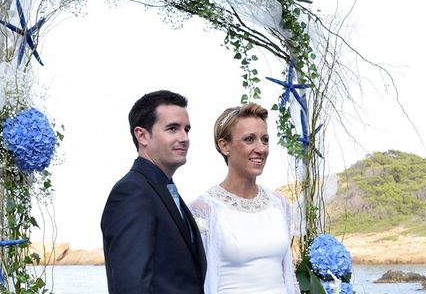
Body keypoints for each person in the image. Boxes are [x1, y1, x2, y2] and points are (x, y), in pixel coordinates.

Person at [101, 90, 207, 294]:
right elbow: (132, 286)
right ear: (142, 135)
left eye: (187, 129)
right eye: (172, 129)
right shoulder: (131, 193)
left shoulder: (162, 189)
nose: (184, 138)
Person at [190, 102, 301, 294]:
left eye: (265, 140)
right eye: (249, 139)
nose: (261, 149)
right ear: (224, 146)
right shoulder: (203, 209)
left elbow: (288, 274)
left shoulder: (279, 204)